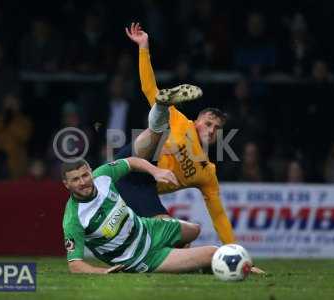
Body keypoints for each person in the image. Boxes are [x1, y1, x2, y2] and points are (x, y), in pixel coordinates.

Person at [120, 23, 235, 245]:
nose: (211, 131)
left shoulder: (207, 174)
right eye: (208, 124)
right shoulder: (181, 121)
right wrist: (143, 47)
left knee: (181, 241)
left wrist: (239, 254)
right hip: (131, 164)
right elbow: (148, 89)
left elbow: (219, 216)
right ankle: (161, 109)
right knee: (155, 132)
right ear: (197, 121)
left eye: (217, 129)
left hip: (142, 189)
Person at [62, 157, 218, 274]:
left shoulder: (103, 176)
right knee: (213, 253)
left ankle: (185, 266)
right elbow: (75, 264)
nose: (83, 182)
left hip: (147, 228)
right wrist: (102, 272)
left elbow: (131, 162)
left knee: (195, 230)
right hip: (139, 257)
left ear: (91, 171)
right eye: (75, 179)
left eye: (85, 175)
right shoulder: (73, 219)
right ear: (66, 184)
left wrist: (156, 171)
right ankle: (181, 264)